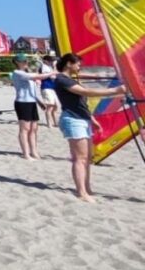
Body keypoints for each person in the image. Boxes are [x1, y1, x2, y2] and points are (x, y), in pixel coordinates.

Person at [53, 52, 126, 202]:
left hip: (82, 119)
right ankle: (81, 192)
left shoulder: (71, 80)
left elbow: (81, 102)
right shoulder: (62, 79)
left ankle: (87, 188)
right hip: (73, 120)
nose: (80, 67)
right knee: (79, 158)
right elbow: (86, 92)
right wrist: (115, 91)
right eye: (78, 64)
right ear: (68, 63)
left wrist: (91, 119)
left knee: (87, 158)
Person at [10, 54, 54, 160]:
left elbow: (32, 90)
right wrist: (53, 72)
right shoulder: (17, 73)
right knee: (25, 129)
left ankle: (34, 152)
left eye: (26, 61)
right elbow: (38, 76)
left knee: (34, 129)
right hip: (22, 103)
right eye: (23, 61)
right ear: (17, 62)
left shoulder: (27, 73)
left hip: (31, 102)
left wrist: (38, 101)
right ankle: (26, 153)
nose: (26, 63)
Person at [38, 53, 60, 128]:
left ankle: (55, 122)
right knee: (50, 106)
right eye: (50, 60)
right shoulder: (44, 67)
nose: (51, 62)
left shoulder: (49, 67)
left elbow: (54, 76)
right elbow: (50, 76)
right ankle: (49, 124)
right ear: (45, 61)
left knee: (56, 106)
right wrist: (54, 67)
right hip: (46, 87)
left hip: (51, 88)